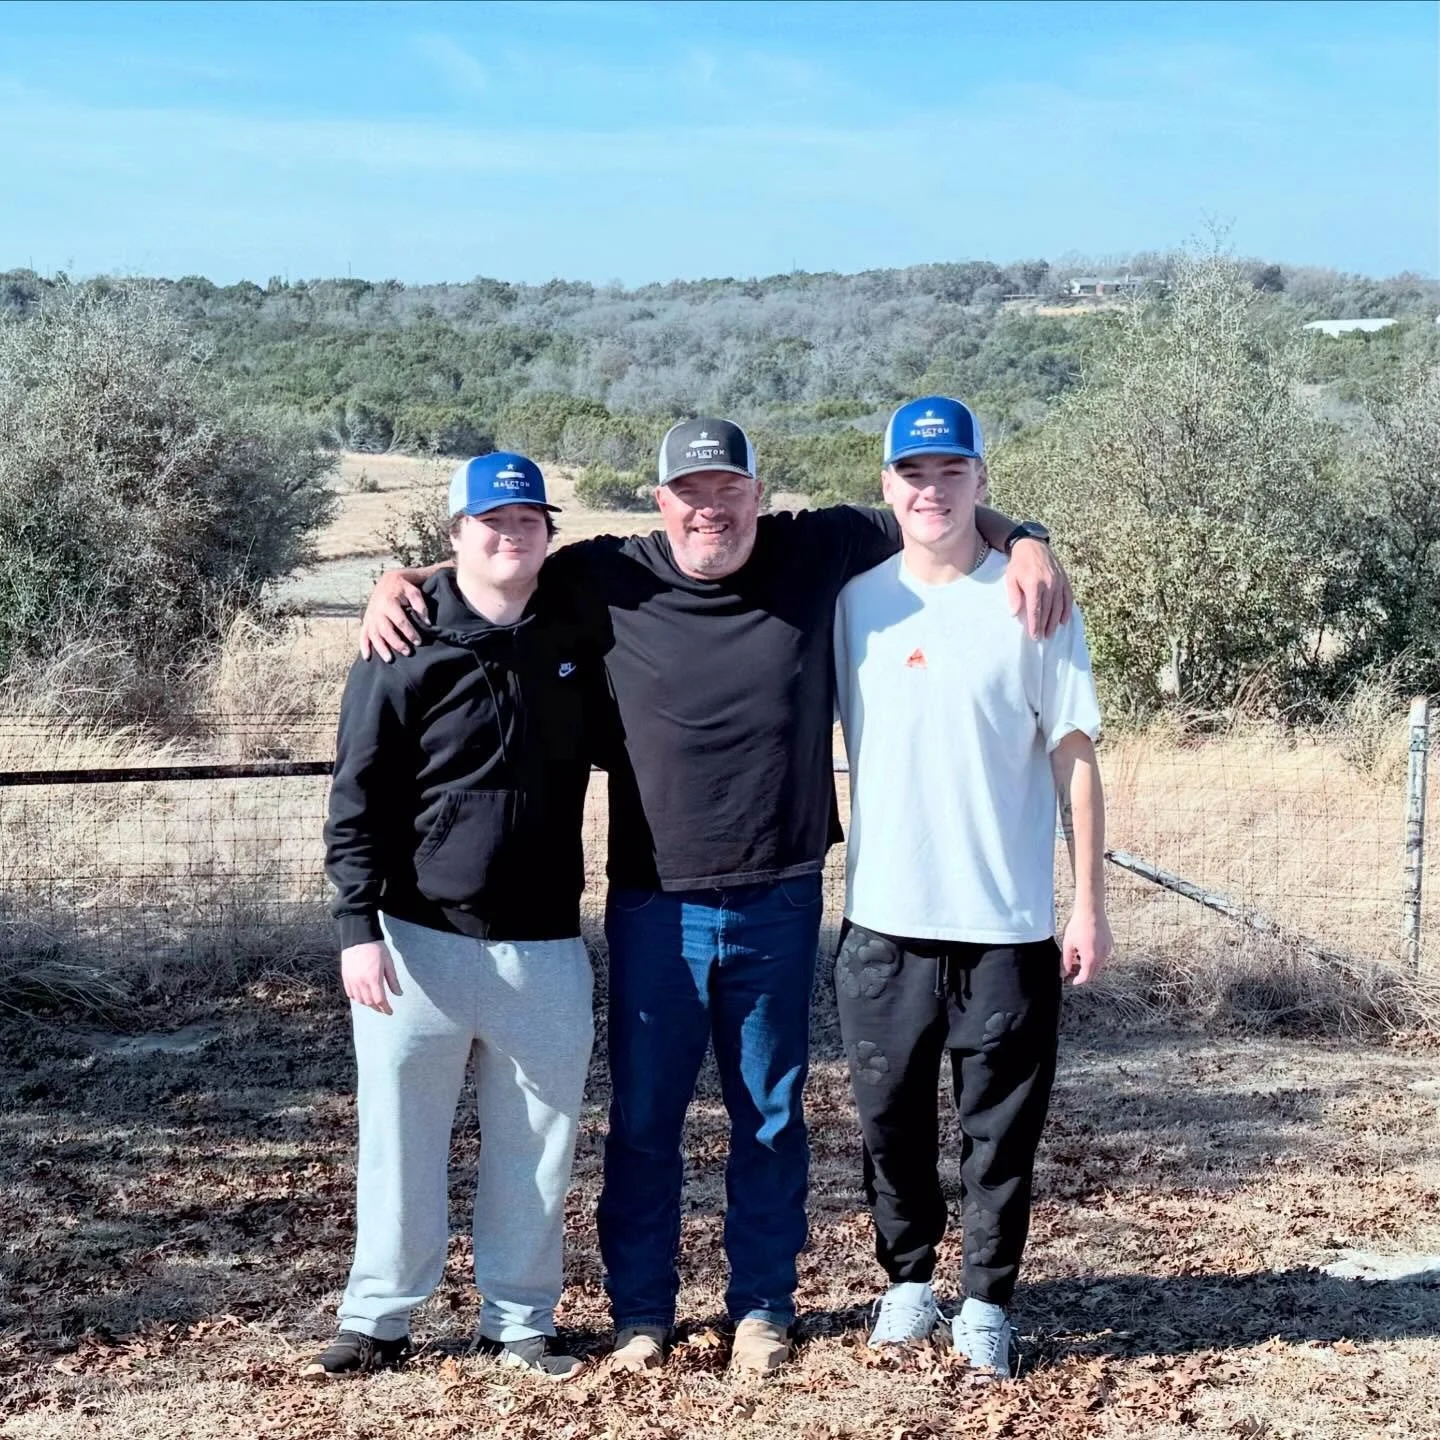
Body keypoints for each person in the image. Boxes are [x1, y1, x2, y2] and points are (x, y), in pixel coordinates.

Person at [360, 417, 1071, 1373]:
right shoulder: (608, 573)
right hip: (656, 902)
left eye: (729, 492)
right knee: (646, 1120)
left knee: (770, 1116)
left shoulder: (814, 549)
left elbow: (938, 510)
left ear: (755, 493)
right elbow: (494, 570)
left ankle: (762, 1310)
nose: (712, 512)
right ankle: (643, 1316)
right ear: (662, 503)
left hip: (780, 895)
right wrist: (398, 583)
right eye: (691, 496)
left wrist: (1030, 541)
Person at [311, 452, 612, 1379]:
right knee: (399, 1138)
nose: (509, 535)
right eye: (490, 522)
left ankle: (517, 1319)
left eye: (527, 521)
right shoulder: (400, 645)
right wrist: (356, 926)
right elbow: (355, 796)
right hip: (416, 942)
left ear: (547, 533)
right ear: (455, 536)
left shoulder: (575, 629)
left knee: (538, 1145)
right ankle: (380, 1317)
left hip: (546, 944)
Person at [830, 396, 1112, 1376]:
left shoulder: (1033, 600)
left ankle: (987, 1302)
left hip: (1006, 927)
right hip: (882, 925)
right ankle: (907, 1284)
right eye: (914, 472)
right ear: (887, 488)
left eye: (953, 472)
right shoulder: (854, 602)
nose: (932, 489)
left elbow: (1076, 756)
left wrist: (1087, 903)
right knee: (889, 1123)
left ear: (982, 483)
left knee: (1000, 1134)